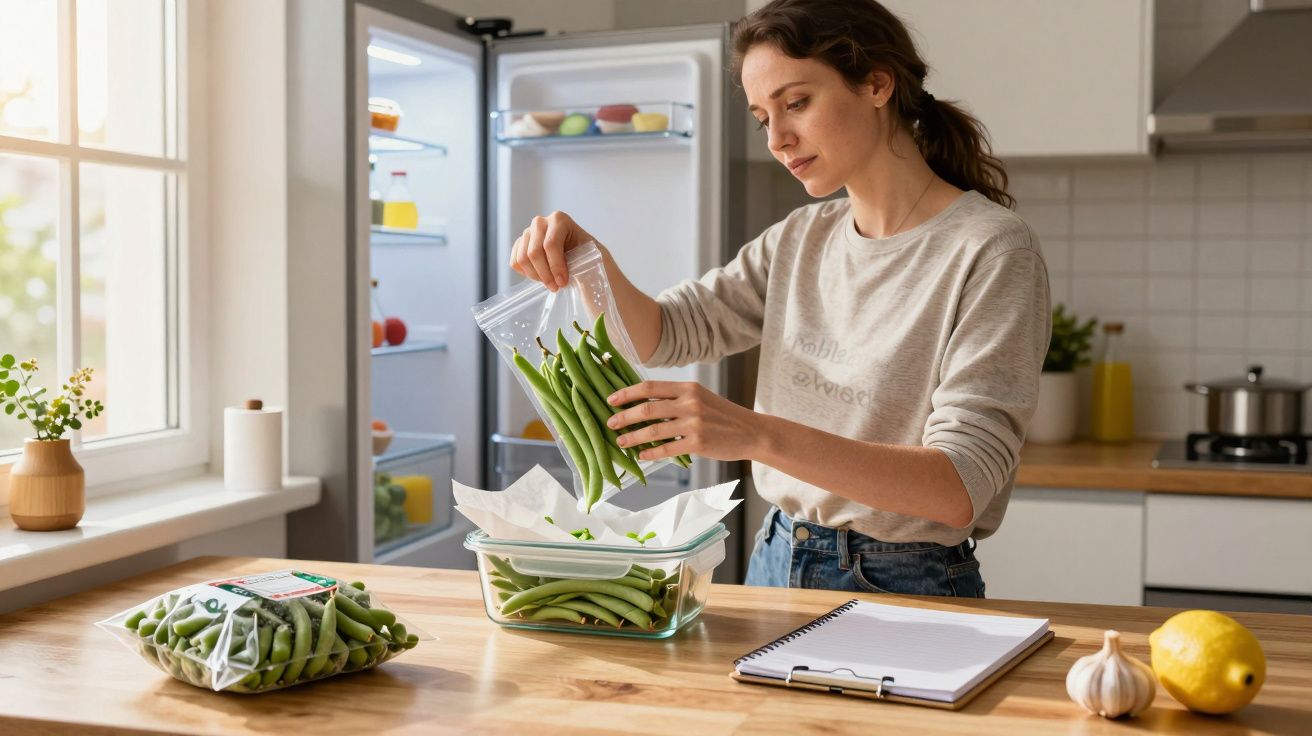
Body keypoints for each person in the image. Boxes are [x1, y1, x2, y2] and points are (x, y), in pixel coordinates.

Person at [508, 0, 1051, 598]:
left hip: (905, 579)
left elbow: (959, 487)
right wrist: (591, 261)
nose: (777, 138)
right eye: (762, 117)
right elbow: (665, 334)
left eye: (796, 103)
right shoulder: (801, 236)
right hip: (776, 554)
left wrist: (754, 434)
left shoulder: (991, 249)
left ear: (877, 83)